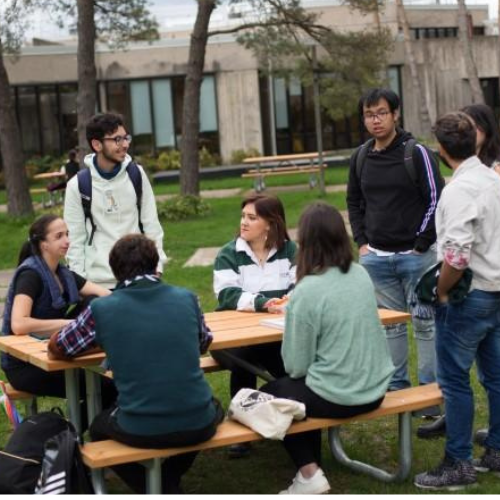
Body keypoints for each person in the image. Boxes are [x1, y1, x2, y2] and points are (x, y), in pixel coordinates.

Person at [48, 233, 223, 494]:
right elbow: (202, 343)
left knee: (98, 429)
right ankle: (168, 479)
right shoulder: (187, 298)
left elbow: (59, 347)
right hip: (199, 420)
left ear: (115, 271)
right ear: (155, 265)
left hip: (141, 424)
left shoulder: (103, 309)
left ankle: (160, 487)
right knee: (214, 408)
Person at [262, 202, 394, 495]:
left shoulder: (307, 291)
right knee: (291, 391)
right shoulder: (360, 274)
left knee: (266, 397)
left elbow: (296, 367)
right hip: (375, 388)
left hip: (341, 394)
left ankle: (309, 473)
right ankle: (311, 468)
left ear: (305, 242)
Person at [414, 112, 500, 490]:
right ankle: (496, 449)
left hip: (472, 293)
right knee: (496, 377)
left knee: (453, 380)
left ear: (442, 149)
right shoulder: (491, 179)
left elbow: (457, 255)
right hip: (496, 289)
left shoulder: (460, 189)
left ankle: (458, 461)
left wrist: (443, 290)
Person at [346, 88, 444, 409]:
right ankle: (399, 395)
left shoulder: (416, 153)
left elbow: (436, 199)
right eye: (369, 114)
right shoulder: (361, 156)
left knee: (425, 326)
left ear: (396, 114)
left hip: (417, 258)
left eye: (381, 113)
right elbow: (354, 201)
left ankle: (430, 399)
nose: (375, 120)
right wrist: (362, 243)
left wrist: (421, 244)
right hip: (376, 259)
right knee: (391, 328)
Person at [1, 214, 116, 408]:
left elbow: (106, 296)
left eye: (67, 234)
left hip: (49, 350)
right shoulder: (30, 275)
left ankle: (76, 428)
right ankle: (74, 432)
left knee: (93, 301)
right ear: (44, 244)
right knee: (108, 389)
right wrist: (71, 324)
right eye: (59, 236)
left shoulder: (63, 274)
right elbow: (19, 324)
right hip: (24, 366)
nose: (67, 241)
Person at [212, 194, 296, 457]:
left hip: (276, 334)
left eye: (252, 218)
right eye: (243, 217)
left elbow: (301, 286)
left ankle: (289, 419)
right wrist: (262, 303)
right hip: (234, 339)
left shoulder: (291, 251)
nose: (243, 223)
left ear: (270, 223)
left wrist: (289, 298)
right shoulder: (228, 254)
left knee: (288, 366)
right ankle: (242, 430)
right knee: (242, 361)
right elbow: (227, 295)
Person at [64, 112, 166, 289]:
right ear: (97, 144)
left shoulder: (137, 175)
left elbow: (151, 226)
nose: (125, 144)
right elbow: (75, 239)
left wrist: (156, 268)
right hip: (98, 282)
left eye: (126, 138)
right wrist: (80, 284)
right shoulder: (78, 185)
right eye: (117, 140)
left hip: (140, 277)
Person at [462, 103, 500, 172]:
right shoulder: (463, 161)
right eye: (464, 126)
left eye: (473, 126)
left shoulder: (496, 168)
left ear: (487, 127)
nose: (468, 131)